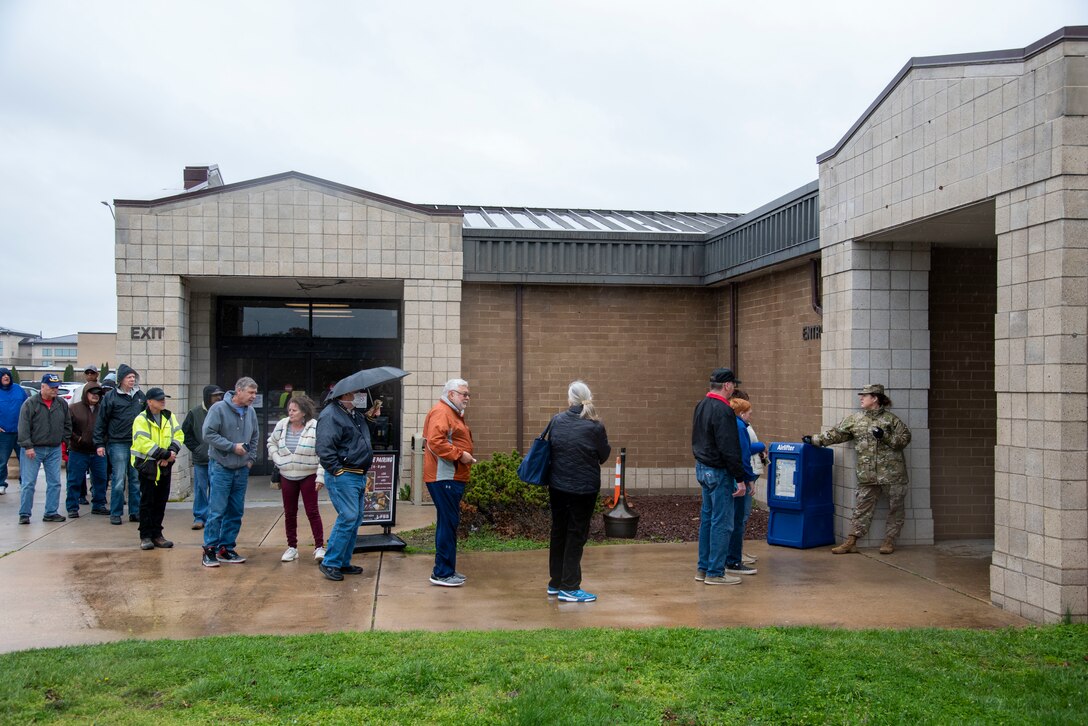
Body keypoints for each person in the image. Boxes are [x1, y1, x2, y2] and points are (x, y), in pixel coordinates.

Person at [803, 383, 912, 555]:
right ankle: (852, 541)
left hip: (893, 475)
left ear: (875, 398)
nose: (861, 398)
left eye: (865, 395)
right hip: (867, 475)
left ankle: (889, 541)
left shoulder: (892, 420)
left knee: (896, 508)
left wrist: (885, 436)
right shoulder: (855, 419)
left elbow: (904, 440)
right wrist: (815, 440)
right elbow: (836, 434)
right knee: (861, 508)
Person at [545, 381, 611, 603]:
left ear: (569, 399)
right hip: (583, 490)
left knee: (559, 531)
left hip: (557, 487)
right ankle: (570, 587)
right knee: (576, 534)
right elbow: (603, 456)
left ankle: (556, 582)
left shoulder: (556, 421)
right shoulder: (595, 426)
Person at [315, 387, 381, 581]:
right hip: (344, 475)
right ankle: (330, 562)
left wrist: (370, 418)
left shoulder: (350, 414)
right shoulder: (331, 415)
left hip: (357, 474)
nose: (357, 396)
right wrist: (337, 470)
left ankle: (342, 562)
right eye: (353, 393)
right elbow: (324, 447)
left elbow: (358, 439)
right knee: (348, 516)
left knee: (355, 517)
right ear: (343, 395)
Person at [691, 368, 748, 585]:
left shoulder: (702, 405)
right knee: (722, 522)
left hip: (702, 467)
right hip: (718, 471)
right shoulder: (723, 410)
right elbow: (729, 447)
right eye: (733, 385)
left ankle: (703, 569)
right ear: (727, 386)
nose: (734, 388)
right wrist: (740, 478)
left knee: (708, 519)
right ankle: (715, 572)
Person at [422, 379, 476, 587]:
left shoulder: (450, 413)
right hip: (445, 477)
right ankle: (442, 573)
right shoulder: (442, 412)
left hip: (449, 476)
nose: (467, 398)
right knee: (448, 522)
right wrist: (460, 455)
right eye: (464, 394)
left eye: (467, 394)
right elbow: (435, 441)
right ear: (451, 394)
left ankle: (446, 570)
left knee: (448, 522)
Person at [201, 377, 259, 567]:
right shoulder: (218, 409)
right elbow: (208, 434)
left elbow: (255, 435)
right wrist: (232, 447)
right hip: (221, 468)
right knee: (217, 510)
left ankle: (226, 548)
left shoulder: (250, 412)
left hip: (241, 469)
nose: (253, 396)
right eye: (250, 392)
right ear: (238, 391)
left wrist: (251, 459)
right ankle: (209, 549)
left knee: (235, 511)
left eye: (255, 392)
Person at [267, 395, 326, 563]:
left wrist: (320, 476)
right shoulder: (282, 425)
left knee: (312, 511)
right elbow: (271, 442)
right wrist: (277, 459)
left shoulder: (315, 427)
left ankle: (319, 547)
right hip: (287, 475)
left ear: (304, 412)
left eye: (294, 410)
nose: (290, 413)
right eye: (289, 410)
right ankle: (292, 547)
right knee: (290, 513)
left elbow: (322, 452)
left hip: (308, 474)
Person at [131, 387, 184, 550]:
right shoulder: (141, 419)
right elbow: (143, 442)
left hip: (165, 464)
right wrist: (164, 455)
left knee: (161, 501)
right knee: (147, 501)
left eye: (164, 398)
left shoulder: (169, 416)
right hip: (148, 466)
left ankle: (157, 534)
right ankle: (145, 535)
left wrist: (171, 453)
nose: (163, 401)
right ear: (149, 401)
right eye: (159, 399)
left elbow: (179, 435)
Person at [93, 363, 146, 525]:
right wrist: (99, 443)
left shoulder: (139, 396)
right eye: (129, 377)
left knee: (135, 479)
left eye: (133, 377)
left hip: (136, 444)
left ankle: (135, 511)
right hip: (117, 443)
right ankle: (116, 513)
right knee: (118, 479)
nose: (132, 380)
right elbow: (101, 421)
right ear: (121, 379)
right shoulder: (111, 397)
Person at [16, 374, 72, 523]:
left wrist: (63, 440)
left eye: (57, 387)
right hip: (33, 449)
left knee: (55, 482)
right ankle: (25, 514)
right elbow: (23, 427)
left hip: (53, 448)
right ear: (43, 386)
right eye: (52, 387)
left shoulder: (61, 404)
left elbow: (68, 425)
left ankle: (51, 512)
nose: (55, 390)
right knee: (28, 483)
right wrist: (28, 446)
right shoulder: (30, 404)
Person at [726, 398, 765, 575]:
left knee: (731, 518)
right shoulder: (741, 426)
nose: (751, 415)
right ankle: (734, 560)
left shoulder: (731, 424)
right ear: (742, 413)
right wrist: (747, 479)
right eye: (749, 412)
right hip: (739, 477)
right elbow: (744, 455)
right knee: (738, 518)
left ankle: (730, 556)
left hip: (730, 476)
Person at [182, 385, 224, 530]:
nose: (219, 398)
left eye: (220, 395)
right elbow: (185, 433)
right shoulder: (194, 412)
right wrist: (196, 449)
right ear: (207, 397)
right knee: (200, 487)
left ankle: (214, 517)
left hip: (218, 458)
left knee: (216, 488)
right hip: (201, 459)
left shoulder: (223, 411)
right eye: (215, 395)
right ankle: (199, 516)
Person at [65, 384, 109, 517]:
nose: (95, 395)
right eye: (92, 393)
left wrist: (103, 441)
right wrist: (77, 439)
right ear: (85, 393)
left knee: (101, 479)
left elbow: (108, 428)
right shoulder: (73, 408)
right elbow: (67, 427)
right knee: (74, 480)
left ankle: (99, 504)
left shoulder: (103, 409)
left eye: (98, 393)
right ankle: (72, 507)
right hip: (78, 451)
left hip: (98, 451)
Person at [0, 367, 29, 495]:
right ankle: (1, 484)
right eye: (3, 375)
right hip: (3, 433)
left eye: (8, 375)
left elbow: (28, 407)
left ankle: (25, 483)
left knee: (24, 459)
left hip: (21, 432)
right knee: (1, 461)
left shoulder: (18, 389)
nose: (6, 377)